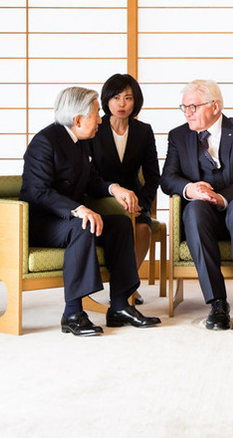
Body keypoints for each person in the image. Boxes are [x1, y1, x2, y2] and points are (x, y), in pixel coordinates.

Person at [20, 86, 161, 336]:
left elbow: (93, 181)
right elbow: (37, 192)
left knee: (118, 224)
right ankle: (72, 313)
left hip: (72, 218)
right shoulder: (44, 142)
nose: (99, 119)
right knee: (83, 226)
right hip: (45, 222)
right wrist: (78, 209)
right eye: (96, 113)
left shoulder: (82, 142)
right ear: (77, 120)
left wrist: (114, 188)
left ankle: (119, 305)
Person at [160, 79, 233, 331]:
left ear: (215, 107)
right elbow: (168, 178)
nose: (187, 113)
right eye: (183, 107)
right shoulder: (178, 136)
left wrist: (222, 197)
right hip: (206, 217)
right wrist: (190, 189)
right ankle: (217, 303)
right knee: (193, 209)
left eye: (193, 107)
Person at [91, 74, 160, 304]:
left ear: (135, 101)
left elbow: (152, 176)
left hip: (135, 198)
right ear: (107, 100)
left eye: (128, 98)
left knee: (142, 230)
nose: (122, 104)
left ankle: (128, 285)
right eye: (116, 97)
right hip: (101, 196)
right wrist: (111, 193)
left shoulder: (144, 131)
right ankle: (123, 284)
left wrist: (144, 202)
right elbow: (89, 174)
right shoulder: (94, 129)